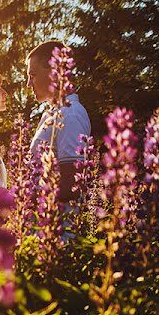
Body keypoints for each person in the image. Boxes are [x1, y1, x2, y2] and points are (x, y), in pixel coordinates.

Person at [26, 41, 92, 202]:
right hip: (39, 224)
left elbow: (71, 185)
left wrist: (25, 202)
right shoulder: (51, 114)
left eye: (32, 75)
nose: (28, 84)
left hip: (59, 225)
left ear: (54, 71)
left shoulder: (71, 114)